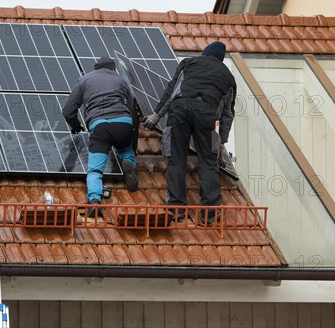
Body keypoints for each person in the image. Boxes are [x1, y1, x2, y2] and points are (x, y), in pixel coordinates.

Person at [143, 41, 236, 225]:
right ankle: (209, 214)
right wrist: (222, 142)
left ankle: (177, 209)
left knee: (176, 159)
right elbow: (227, 113)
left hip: (179, 110)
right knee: (208, 163)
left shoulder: (189, 63)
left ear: (205, 53)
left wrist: (156, 114)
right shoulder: (228, 76)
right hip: (206, 113)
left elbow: (172, 90)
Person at [63, 57, 139, 218]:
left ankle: (95, 201)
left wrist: (76, 125)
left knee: (95, 169)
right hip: (123, 122)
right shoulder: (120, 80)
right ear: (113, 69)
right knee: (126, 150)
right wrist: (132, 131)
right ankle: (128, 164)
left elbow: (68, 110)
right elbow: (133, 105)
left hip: (100, 126)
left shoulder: (84, 80)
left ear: (96, 68)